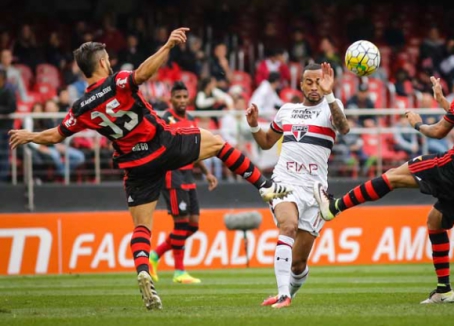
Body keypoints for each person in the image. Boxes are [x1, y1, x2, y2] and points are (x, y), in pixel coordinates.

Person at [8, 27, 292, 310]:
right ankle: (264, 186)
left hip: (135, 166)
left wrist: (29, 136)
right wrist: (167, 46)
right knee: (217, 143)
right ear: (102, 63)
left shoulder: (80, 108)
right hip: (162, 146)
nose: (110, 62)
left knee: (142, 226)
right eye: (107, 59)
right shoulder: (116, 82)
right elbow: (142, 74)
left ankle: (143, 269)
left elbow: (57, 134)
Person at [313, 54, 454, 304]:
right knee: (435, 222)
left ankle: (333, 208)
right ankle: (444, 290)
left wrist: (417, 124)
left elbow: (439, 131)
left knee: (393, 176)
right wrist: (443, 101)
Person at [246, 62, 349, 309]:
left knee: (298, 263)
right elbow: (266, 142)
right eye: (309, 82)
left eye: (319, 82)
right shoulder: (286, 110)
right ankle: (283, 295)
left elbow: (343, 128)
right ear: (301, 84)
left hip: (315, 193)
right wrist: (253, 125)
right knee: (288, 227)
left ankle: (288, 291)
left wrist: (330, 94)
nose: (315, 87)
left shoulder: (331, 108)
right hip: (285, 184)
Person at [149, 81, 218, 284]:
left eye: (184, 97)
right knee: (181, 224)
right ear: (170, 99)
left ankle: (155, 255)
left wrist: (206, 172)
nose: (181, 100)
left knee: (193, 225)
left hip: (189, 176)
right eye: (177, 97)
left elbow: (193, 149)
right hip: (172, 176)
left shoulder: (190, 118)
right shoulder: (165, 119)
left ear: (188, 98)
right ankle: (179, 272)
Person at [0, 69, 16, 182]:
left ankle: (3, 180)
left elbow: (12, 107)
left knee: (4, 155)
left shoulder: (9, 90)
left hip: (5, 129)